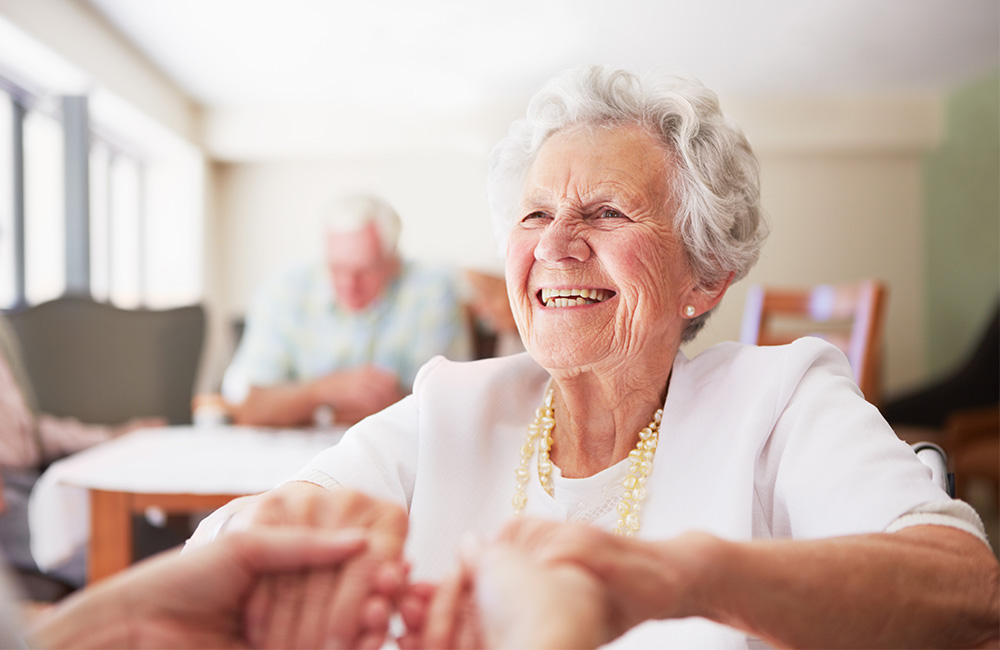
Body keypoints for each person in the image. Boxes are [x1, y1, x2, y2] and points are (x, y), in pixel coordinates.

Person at [191, 66, 1000, 648]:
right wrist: (282, 526)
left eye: (606, 213)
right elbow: (235, 543)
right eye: (534, 212)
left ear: (706, 274)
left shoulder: (781, 398)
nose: (554, 245)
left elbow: (967, 590)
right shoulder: (453, 406)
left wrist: (681, 580)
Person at [222, 193, 472, 427]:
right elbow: (250, 407)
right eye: (337, 268)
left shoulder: (433, 290)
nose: (349, 285)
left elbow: (449, 406)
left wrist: (308, 406)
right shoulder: (284, 289)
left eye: (366, 270)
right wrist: (324, 390)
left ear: (393, 258)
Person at [0, 315, 162, 589]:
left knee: (140, 533)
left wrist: (111, 436)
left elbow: (28, 432)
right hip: (9, 496)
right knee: (110, 556)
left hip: (29, 480)